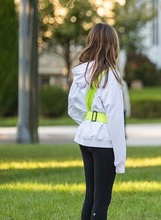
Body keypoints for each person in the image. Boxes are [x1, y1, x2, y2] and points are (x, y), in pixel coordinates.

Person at [67, 23, 126, 220]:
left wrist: (89, 123)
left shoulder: (81, 73)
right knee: (101, 200)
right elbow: (116, 121)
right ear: (113, 46)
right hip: (103, 141)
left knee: (90, 196)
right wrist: (120, 160)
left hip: (85, 137)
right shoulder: (111, 76)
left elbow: (73, 108)